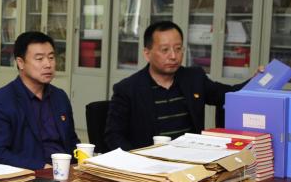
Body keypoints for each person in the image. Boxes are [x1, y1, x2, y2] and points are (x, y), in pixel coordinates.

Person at [105, 20, 246, 151]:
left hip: (191, 158)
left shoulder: (194, 79)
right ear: (147, 54)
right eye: (165, 50)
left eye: (178, 49)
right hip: (149, 161)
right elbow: (113, 136)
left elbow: (230, 94)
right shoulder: (127, 89)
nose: (173, 56)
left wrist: (257, 80)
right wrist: (136, 160)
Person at [0, 31, 78, 169]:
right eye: (39, 59)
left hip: (66, 173)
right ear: (21, 63)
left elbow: (71, 141)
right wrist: (41, 167)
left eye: (51, 57)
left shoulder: (59, 96)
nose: (48, 64)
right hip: (31, 175)